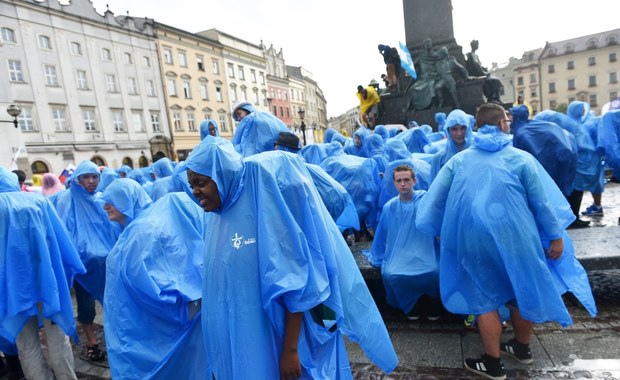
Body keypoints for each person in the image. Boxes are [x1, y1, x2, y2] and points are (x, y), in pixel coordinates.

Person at [186, 136, 397, 379]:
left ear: (222, 175)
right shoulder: (215, 217)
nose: (195, 192)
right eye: (192, 185)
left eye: (201, 183)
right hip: (241, 346)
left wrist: (291, 350)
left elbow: (293, 284)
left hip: (272, 342)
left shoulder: (260, 211)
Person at [416, 103, 596, 380]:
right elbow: (542, 204)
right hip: (519, 239)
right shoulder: (521, 159)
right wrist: (556, 237)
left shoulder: (459, 161)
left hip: (473, 241)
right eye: (507, 121)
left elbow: (433, 201)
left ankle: (493, 363)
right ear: (501, 124)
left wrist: (439, 230)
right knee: (519, 289)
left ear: (476, 126)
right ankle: (522, 348)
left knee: (484, 298)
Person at [0, 167, 86, 379]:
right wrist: (73, 267)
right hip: (47, 279)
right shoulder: (38, 200)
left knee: (26, 343)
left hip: (12, 287)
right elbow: (60, 239)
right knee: (57, 337)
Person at [49, 160, 121, 362]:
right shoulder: (66, 200)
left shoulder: (101, 200)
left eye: (94, 177)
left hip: (106, 265)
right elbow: (62, 232)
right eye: (86, 177)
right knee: (86, 307)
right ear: (77, 179)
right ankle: (92, 342)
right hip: (83, 267)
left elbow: (113, 228)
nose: (91, 181)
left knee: (113, 304)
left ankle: (116, 340)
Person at [368, 165, 440, 321]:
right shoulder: (389, 208)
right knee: (391, 273)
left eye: (406, 180)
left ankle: (432, 303)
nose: (403, 184)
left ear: (414, 181)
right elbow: (382, 236)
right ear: (394, 183)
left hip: (426, 252)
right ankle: (411, 305)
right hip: (399, 255)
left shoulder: (425, 201)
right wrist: (379, 256)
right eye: (399, 180)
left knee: (434, 270)